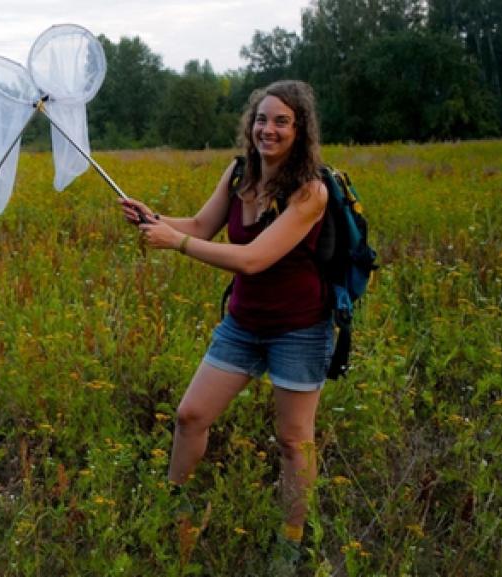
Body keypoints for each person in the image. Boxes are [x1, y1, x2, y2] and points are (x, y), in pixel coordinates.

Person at [119, 80, 330, 571]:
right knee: (191, 415)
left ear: (300, 130)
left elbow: (252, 259)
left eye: (281, 121)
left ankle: (291, 540)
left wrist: (174, 243)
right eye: (261, 119)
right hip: (243, 323)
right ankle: (174, 508)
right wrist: (153, 218)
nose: (268, 129)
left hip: (300, 328)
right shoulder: (239, 174)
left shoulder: (310, 191)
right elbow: (199, 226)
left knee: (293, 439)